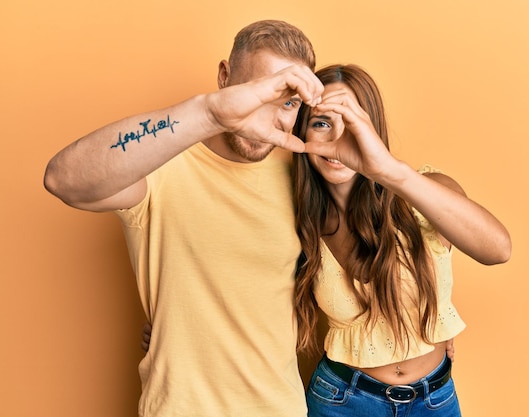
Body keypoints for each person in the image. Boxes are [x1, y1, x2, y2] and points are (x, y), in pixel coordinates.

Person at [43, 20, 325, 417]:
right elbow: (62, 179)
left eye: (288, 102)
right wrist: (211, 112)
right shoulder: (161, 164)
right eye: (258, 93)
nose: (271, 118)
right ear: (225, 77)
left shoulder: (302, 180)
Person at [291, 64, 512, 416]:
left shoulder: (425, 191)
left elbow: (498, 250)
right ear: (302, 133)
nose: (337, 140)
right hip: (340, 400)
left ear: (372, 130)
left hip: (433, 402)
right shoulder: (299, 219)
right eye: (322, 123)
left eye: (352, 123)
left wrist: (387, 170)